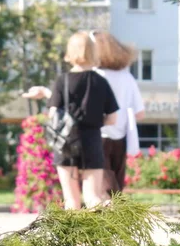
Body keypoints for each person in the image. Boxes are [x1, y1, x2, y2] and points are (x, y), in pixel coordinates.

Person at [23, 32, 145, 192]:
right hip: (100, 141)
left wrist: (47, 94)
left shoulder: (64, 79)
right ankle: (114, 216)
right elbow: (126, 115)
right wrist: (95, 123)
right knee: (103, 195)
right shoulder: (112, 79)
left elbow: (56, 113)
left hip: (72, 143)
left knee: (75, 198)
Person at [47, 31, 119, 210]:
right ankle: (98, 234)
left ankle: (74, 237)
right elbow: (112, 118)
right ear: (93, 52)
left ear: (70, 52)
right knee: (93, 197)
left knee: (71, 200)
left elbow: (52, 114)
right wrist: (95, 120)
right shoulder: (100, 82)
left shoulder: (61, 80)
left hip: (65, 143)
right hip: (91, 141)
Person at [90, 31, 145, 192]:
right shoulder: (127, 77)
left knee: (100, 190)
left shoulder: (94, 76)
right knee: (116, 189)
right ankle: (118, 216)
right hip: (121, 139)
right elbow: (140, 113)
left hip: (98, 136)